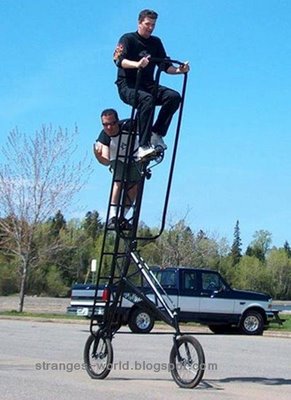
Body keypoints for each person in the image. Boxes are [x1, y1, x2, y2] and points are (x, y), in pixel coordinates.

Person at [113, 9, 189, 159]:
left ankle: (157, 133)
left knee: (173, 97)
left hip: (148, 84)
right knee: (147, 99)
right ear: (139, 23)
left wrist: (180, 70)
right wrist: (137, 64)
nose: (150, 28)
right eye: (147, 24)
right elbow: (118, 60)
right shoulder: (128, 39)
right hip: (128, 85)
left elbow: (165, 66)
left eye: (153, 25)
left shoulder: (156, 42)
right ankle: (143, 145)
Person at [94, 108, 141, 229]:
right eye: (105, 125)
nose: (109, 128)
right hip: (117, 159)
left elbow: (145, 127)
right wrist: (97, 156)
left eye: (112, 123)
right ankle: (113, 216)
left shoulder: (129, 125)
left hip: (134, 158)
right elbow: (106, 160)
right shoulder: (104, 136)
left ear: (117, 121)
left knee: (134, 186)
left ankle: (122, 216)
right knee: (118, 181)